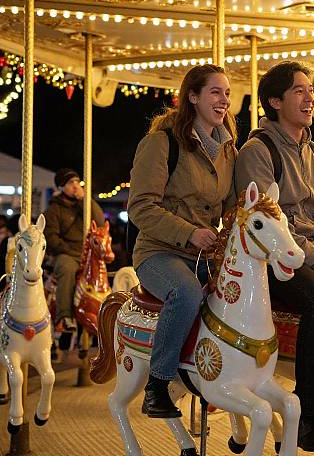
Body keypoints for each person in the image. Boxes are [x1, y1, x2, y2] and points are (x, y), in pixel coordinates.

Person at [235, 61, 314, 452]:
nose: (310, 98)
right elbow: (270, 221)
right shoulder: (259, 150)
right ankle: (308, 417)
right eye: (299, 91)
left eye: (311, 91)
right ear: (275, 100)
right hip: (275, 260)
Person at [128, 64, 237, 418]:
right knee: (187, 292)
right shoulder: (161, 142)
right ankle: (157, 384)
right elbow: (141, 206)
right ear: (193, 96)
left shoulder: (227, 150)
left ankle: (215, 375)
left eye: (227, 93)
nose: (224, 100)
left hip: (204, 254)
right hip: (160, 252)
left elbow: (232, 206)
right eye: (215, 92)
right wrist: (189, 232)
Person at [44, 168, 104, 332]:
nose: (76, 186)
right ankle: (65, 316)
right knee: (67, 268)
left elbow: (99, 221)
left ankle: (102, 312)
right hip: (65, 253)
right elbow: (51, 237)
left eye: (78, 182)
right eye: (71, 183)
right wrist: (69, 251)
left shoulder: (83, 204)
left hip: (86, 252)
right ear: (61, 187)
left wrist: (86, 200)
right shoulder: (54, 209)